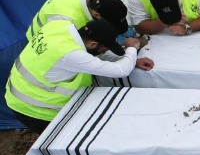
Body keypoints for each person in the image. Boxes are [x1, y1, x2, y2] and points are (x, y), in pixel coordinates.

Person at [6, 20, 154, 133]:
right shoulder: (70, 54)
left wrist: (130, 60)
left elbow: (97, 57)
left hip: (18, 89)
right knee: (72, 142)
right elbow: (121, 71)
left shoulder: (59, 26)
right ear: (92, 43)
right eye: (104, 48)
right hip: (34, 108)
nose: (104, 52)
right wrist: (132, 49)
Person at [26, 0, 130, 40]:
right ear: (96, 15)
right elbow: (82, 54)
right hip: (41, 38)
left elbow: (124, 5)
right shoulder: (67, 21)